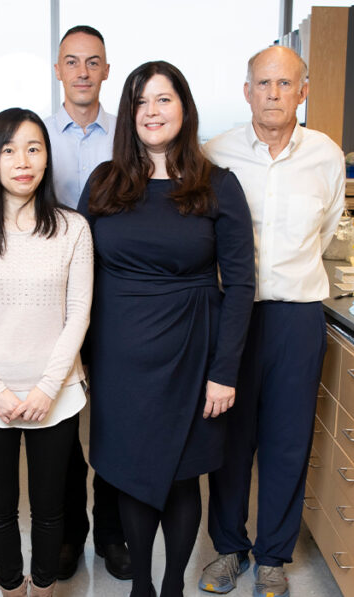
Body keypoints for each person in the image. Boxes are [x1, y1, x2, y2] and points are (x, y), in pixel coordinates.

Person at [78, 61, 255, 597]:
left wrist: (224, 372)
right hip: (119, 357)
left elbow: (242, 285)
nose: (151, 112)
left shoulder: (217, 185)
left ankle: (173, 583)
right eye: (140, 102)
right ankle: (143, 586)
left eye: (163, 100)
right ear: (129, 114)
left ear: (184, 108)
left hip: (191, 353)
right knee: (130, 470)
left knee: (182, 472)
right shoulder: (105, 183)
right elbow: (76, 268)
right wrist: (77, 357)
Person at [200, 45, 345, 597]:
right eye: (263, 83)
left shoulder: (326, 155)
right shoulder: (217, 153)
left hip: (298, 315)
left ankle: (273, 556)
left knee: (287, 440)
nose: (274, 94)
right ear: (247, 91)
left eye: (286, 84)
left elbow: (327, 227)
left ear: (302, 92)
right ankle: (229, 549)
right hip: (233, 314)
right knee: (230, 438)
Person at [0, 108, 93, 597]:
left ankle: (44, 588)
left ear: (47, 159)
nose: (22, 161)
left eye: (33, 148)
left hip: (58, 394)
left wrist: (48, 387)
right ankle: (11, 587)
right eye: (9, 150)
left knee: (51, 508)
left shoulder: (72, 229)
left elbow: (79, 315)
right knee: (0, 506)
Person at [42, 25, 130, 582]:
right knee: (63, 419)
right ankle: (71, 530)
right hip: (54, 299)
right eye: (71, 61)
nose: (81, 71)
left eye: (91, 62)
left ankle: (113, 531)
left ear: (105, 69)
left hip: (119, 295)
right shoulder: (38, 136)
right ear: (58, 70)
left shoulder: (130, 136)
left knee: (117, 419)